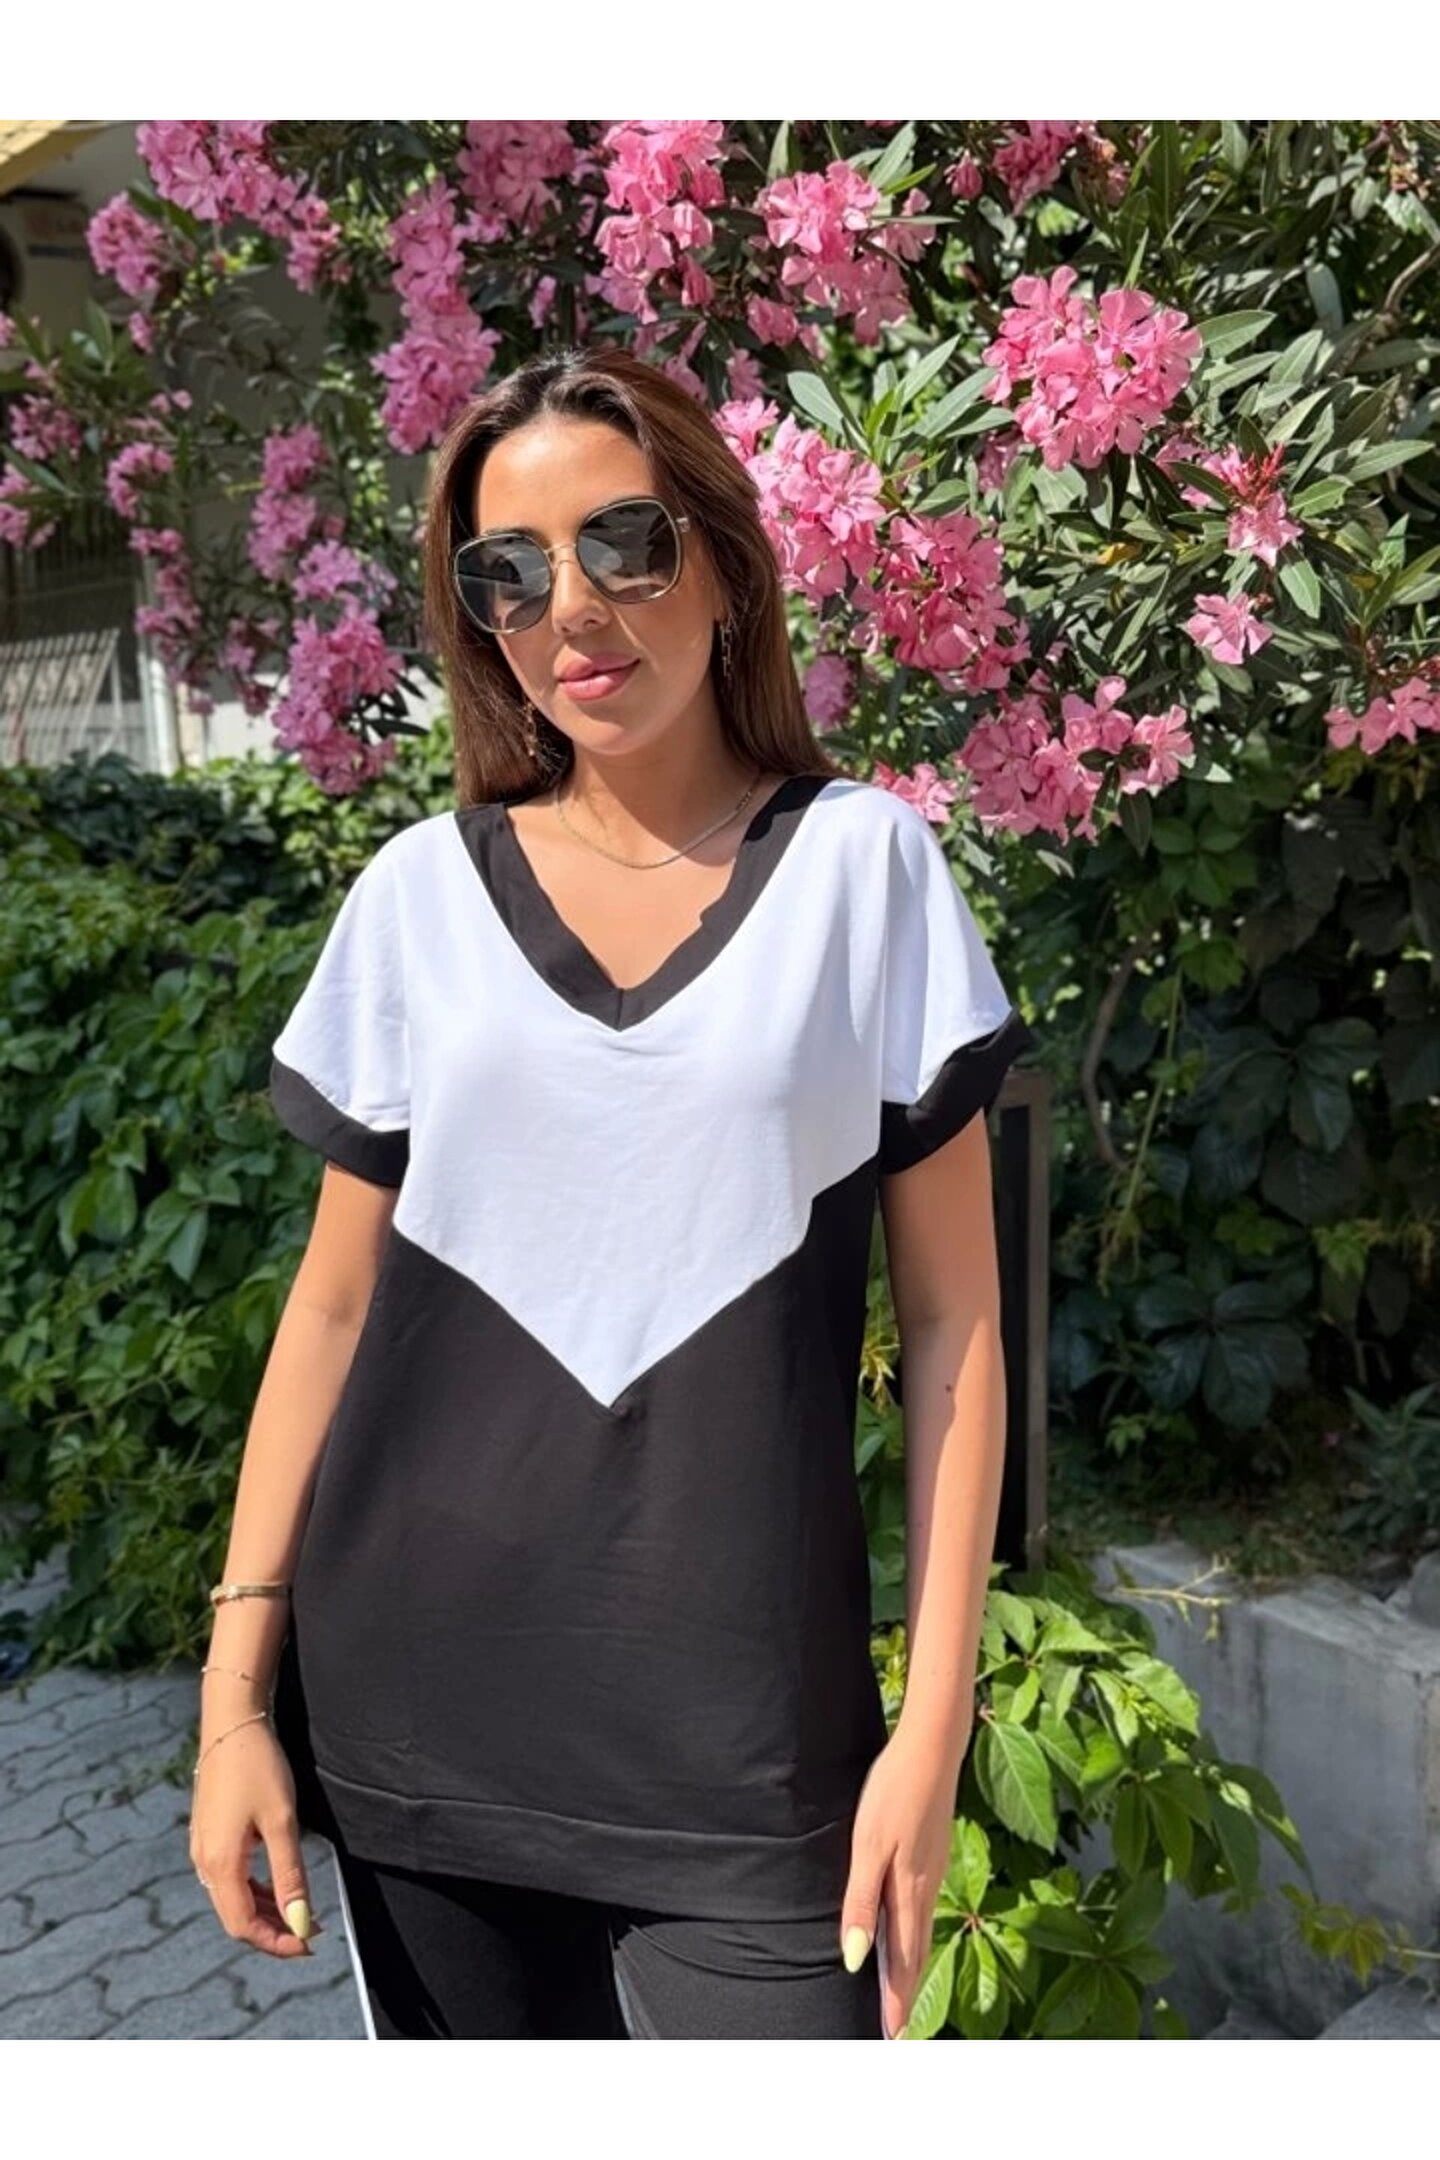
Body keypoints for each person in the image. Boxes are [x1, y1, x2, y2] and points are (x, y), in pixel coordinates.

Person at [188, 341, 1035, 2041]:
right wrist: (232, 1706)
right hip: (424, 1732)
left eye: (626, 543)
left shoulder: (864, 871)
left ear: (723, 564)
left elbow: (955, 1328)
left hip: (755, 1751)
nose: (572, 606)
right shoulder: (418, 899)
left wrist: (930, 1729)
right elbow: (334, 1311)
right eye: (506, 573)